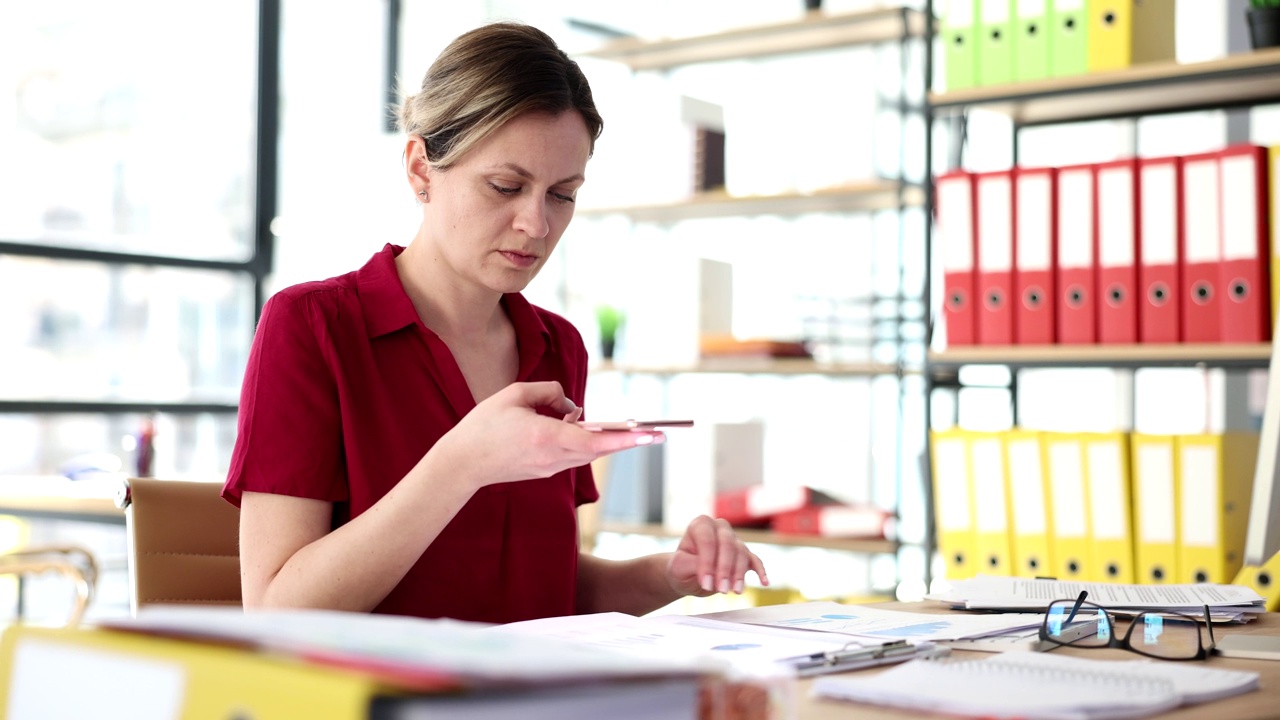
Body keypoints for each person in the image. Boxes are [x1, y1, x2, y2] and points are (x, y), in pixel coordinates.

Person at [222, 21, 768, 624]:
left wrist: (669, 575)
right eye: (506, 186)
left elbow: (545, 585)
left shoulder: (558, 347)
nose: (536, 225)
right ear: (420, 169)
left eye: (562, 194)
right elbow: (276, 610)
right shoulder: (313, 327)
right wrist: (462, 464)